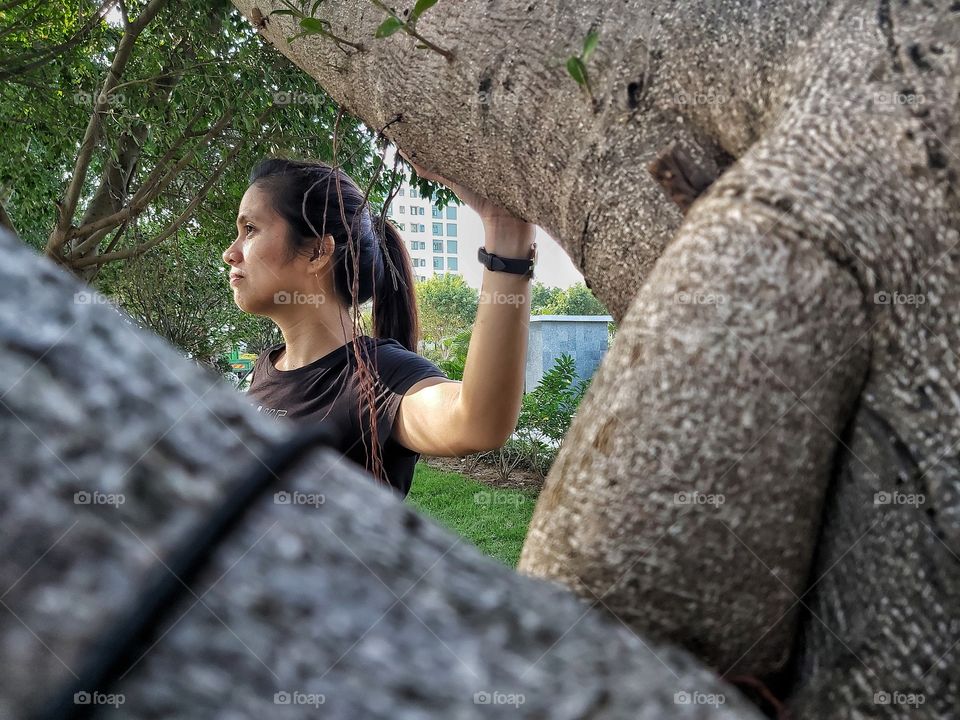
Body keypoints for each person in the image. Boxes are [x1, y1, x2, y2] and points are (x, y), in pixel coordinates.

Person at [222, 155, 537, 498]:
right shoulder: (267, 366)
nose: (230, 252)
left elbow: (476, 422)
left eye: (250, 230)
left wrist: (506, 230)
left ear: (316, 253)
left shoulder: (376, 376)